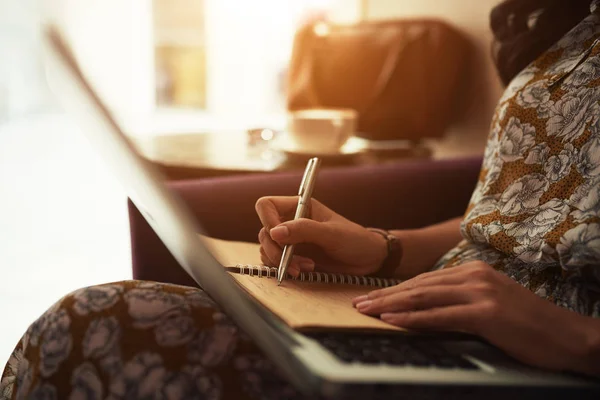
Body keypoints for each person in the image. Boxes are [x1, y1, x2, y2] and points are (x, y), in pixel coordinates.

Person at [3, 0, 600, 398]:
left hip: (539, 365)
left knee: (92, 333)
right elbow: (511, 213)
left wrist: (579, 341)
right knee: (92, 313)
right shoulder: (572, 25)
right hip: (430, 323)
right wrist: (381, 250)